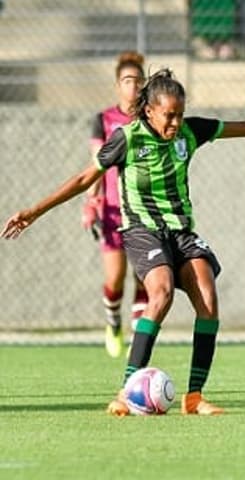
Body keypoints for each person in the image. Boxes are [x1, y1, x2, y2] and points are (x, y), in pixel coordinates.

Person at [2, 68, 245, 416]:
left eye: (180, 114)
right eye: (169, 115)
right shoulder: (127, 138)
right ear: (149, 111)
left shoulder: (190, 132)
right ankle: (126, 392)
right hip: (142, 230)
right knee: (162, 292)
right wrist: (34, 211)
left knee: (207, 296)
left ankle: (194, 397)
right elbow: (85, 178)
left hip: (181, 231)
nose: (175, 122)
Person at [83, 50, 149, 358]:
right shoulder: (105, 120)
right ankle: (113, 321)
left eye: (138, 80)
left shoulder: (153, 118)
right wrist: (92, 202)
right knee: (114, 278)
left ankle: (139, 337)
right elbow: (96, 165)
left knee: (144, 274)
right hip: (112, 211)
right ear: (117, 86)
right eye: (127, 81)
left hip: (145, 212)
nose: (133, 87)